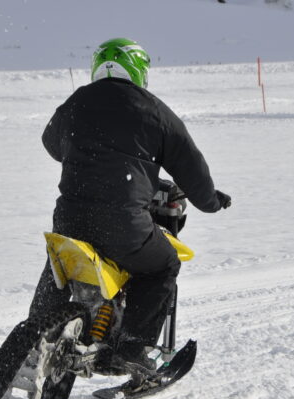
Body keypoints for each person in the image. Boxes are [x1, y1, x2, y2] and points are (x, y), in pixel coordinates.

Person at [29, 37, 231, 373]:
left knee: (60, 263)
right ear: (139, 70)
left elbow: (52, 142)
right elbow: (192, 170)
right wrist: (213, 201)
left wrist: (86, 154)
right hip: (123, 224)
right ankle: (132, 349)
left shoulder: (77, 100)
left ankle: (34, 330)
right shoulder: (154, 110)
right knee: (162, 264)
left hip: (69, 217)